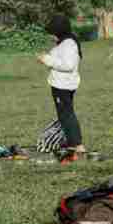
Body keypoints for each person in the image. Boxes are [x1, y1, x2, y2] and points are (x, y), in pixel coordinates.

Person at [37, 15, 86, 162]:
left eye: (52, 32)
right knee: (64, 115)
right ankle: (71, 143)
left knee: (67, 115)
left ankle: (77, 145)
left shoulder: (69, 44)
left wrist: (47, 60)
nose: (50, 36)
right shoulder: (64, 43)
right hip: (61, 84)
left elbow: (68, 65)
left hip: (63, 85)